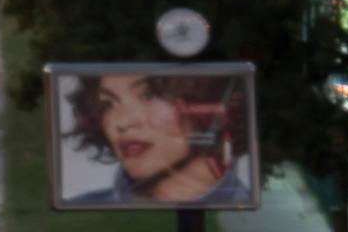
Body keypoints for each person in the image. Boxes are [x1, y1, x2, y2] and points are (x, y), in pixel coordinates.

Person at [56, 62, 249, 208]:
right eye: (108, 104)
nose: (121, 122)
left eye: (149, 95)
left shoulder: (257, 217)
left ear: (208, 102)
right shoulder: (82, 212)